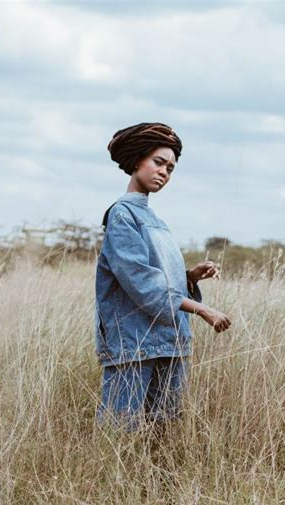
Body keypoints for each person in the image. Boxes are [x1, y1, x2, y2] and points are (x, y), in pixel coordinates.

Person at [95, 122, 231, 432]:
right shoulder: (122, 215)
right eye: (158, 162)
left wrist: (190, 278)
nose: (164, 173)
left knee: (163, 435)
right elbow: (141, 282)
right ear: (137, 161)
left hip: (170, 342)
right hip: (133, 344)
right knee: (121, 432)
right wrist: (202, 309)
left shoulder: (154, 219)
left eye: (170, 168)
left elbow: (161, 279)